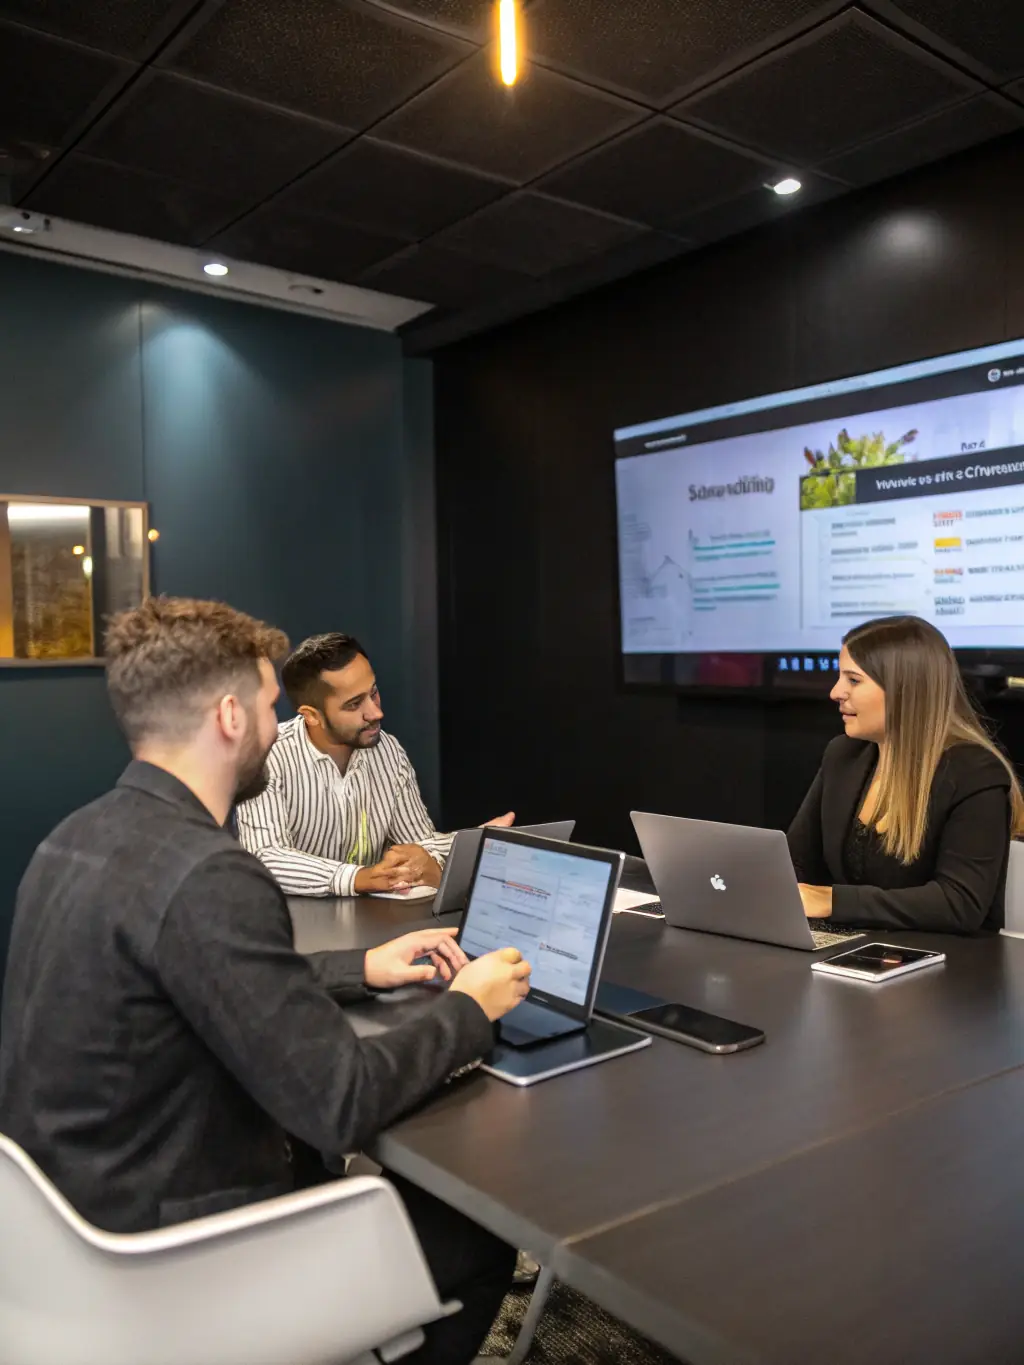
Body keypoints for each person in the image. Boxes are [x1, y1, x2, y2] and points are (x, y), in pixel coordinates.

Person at [0, 596, 530, 1365]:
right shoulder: (213, 874)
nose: (278, 723)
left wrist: (361, 967)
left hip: (70, 1238)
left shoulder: (74, 839)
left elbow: (199, 971)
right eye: (267, 703)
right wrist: (467, 1007)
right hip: (178, 1260)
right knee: (476, 1238)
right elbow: (338, 1101)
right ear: (227, 717)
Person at [788, 614, 1024, 934]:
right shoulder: (843, 755)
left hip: (951, 968)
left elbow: (959, 904)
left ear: (904, 690)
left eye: (853, 680)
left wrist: (834, 901)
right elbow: (796, 863)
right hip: (857, 951)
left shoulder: (974, 773)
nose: (835, 692)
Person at [236, 632, 513, 896]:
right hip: (289, 929)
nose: (376, 712)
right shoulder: (269, 754)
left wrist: (472, 843)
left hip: (369, 926)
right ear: (312, 716)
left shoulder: (388, 750)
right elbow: (267, 857)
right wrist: (360, 878)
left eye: (374, 692)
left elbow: (417, 843)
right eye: (355, 704)